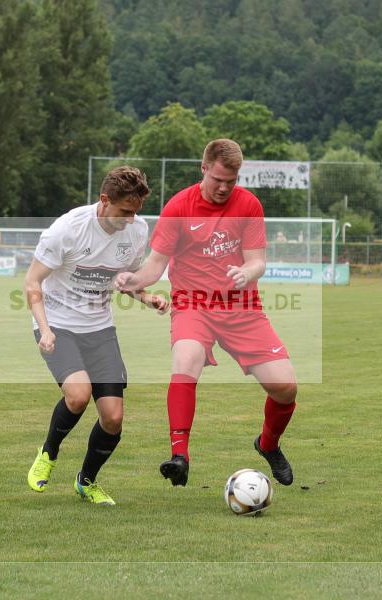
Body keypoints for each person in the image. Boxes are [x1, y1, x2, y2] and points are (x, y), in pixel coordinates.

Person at [115, 139, 297, 487]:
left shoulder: (249, 205)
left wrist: (247, 272)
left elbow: (258, 260)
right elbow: (155, 266)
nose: (224, 187)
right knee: (185, 360)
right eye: (218, 179)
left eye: (232, 180)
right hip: (192, 304)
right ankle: (179, 455)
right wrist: (132, 279)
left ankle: (268, 445)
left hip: (241, 308)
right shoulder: (179, 207)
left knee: (285, 389)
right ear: (204, 169)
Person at [25, 166, 167, 506]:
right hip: (57, 324)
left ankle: (86, 482)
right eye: (125, 212)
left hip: (99, 327)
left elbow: (126, 279)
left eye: (136, 212)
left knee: (113, 418)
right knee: (78, 395)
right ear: (104, 200)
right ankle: (48, 453)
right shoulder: (67, 230)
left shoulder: (136, 230)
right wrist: (44, 330)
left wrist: (148, 298)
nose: (132, 220)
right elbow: (32, 283)